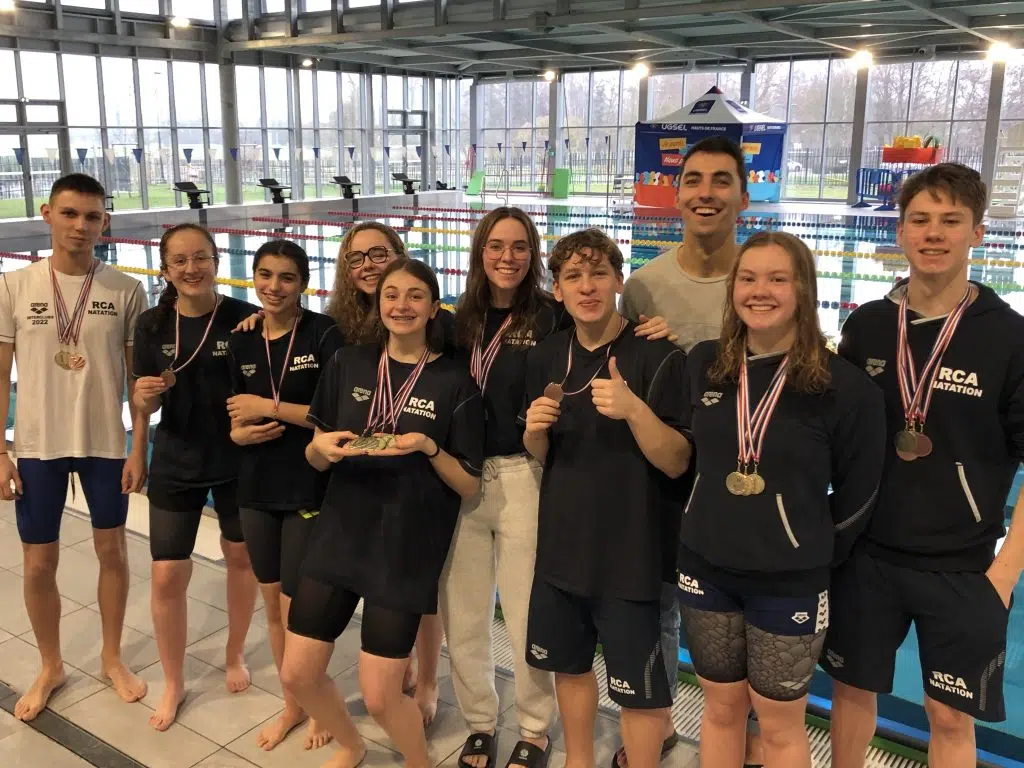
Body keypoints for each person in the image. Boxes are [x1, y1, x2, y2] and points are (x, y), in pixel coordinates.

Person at [443, 207, 676, 768]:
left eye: (519, 245)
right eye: (495, 245)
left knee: (529, 617)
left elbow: (673, 455)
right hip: (469, 475)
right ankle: (484, 722)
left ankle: (533, 727)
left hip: (541, 488)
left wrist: (651, 342)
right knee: (469, 613)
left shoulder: (556, 321)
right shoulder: (458, 320)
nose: (507, 256)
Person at [822, 163, 1024, 768]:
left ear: (977, 234)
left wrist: (1004, 577)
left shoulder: (1009, 339)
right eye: (920, 220)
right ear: (902, 232)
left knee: (948, 715)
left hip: (962, 566)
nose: (934, 234)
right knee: (852, 692)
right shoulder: (869, 326)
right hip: (869, 556)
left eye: (950, 221)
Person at [676, 231, 886, 768]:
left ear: (803, 290)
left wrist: (802, 549)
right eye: (747, 278)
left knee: (779, 725)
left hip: (789, 582)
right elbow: (684, 461)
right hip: (705, 569)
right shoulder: (704, 364)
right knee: (720, 709)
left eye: (777, 278)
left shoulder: (844, 388)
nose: (759, 291)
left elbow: (859, 498)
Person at [239, 220, 454, 722]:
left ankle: (426, 680)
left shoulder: (425, 322)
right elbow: (318, 401)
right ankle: (354, 683)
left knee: (420, 592)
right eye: (356, 258)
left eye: (379, 253)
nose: (368, 266)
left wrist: (266, 405)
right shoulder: (335, 324)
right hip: (341, 477)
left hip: (411, 480)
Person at [282, 257, 484, 768]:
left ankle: (417, 762)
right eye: (392, 294)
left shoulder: (455, 382)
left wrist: (428, 448)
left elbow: (470, 484)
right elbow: (312, 453)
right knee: (297, 675)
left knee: (379, 695)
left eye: (416, 295)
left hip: (405, 547)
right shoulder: (349, 363)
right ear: (378, 302)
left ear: (434, 307)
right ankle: (352, 744)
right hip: (340, 535)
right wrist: (321, 449)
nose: (402, 304)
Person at [521, 228, 690, 768]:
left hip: (631, 558)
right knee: (569, 668)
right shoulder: (547, 355)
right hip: (561, 551)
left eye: (598, 274)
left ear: (619, 280)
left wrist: (636, 410)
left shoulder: (657, 354)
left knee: (638, 694)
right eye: (573, 276)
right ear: (558, 290)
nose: (587, 286)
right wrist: (532, 432)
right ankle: (578, 760)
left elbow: (677, 460)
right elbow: (545, 457)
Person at [618, 134, 760, 768]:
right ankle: (664, 723)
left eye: (721, 180)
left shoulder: (765, 278)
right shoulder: (642, 287)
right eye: (694, 180)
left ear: (743, 194)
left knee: (748, 619)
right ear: (675, 194)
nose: (707, 193)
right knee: (665, 605)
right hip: (669, 479)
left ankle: (749, 733)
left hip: (748, 478)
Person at [0, 173, 149, 721]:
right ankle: (51, 665)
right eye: (70, 214)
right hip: (38, 444)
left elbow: (139, 381)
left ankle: (111, 658)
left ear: (105, 221)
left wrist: (139, 448)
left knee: (113, 551)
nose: (81, 227)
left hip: (106, 443)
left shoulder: (126, 289)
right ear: (47, 214)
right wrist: (0, 451)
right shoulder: (14, 286)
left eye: (92, 216)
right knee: (39, 563)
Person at [132, 223, 261, 731]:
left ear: (215, 260)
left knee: (241, 558)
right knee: (166, 572)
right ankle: (174, 681)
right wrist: (142, 407)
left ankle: (233, 655)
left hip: (236, 461)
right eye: (180, 260)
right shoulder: (151, 325)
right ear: (165, 268)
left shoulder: (243, 320)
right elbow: (143, 399)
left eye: (201, 258)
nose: (191, 268)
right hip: (177, 458)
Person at [227, 239, 343, 751]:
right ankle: (293, 703)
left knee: (300, 608)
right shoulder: (243, 339)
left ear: (304, 282)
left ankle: (317, 702)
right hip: (255, 486)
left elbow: (331, 413)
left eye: (287, 277)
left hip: (306, 484)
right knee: (271, 604)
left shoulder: (323, 334)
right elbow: (233, 411)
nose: (274, 287)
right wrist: (237, 431)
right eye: (265, 275)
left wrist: (267, 406)